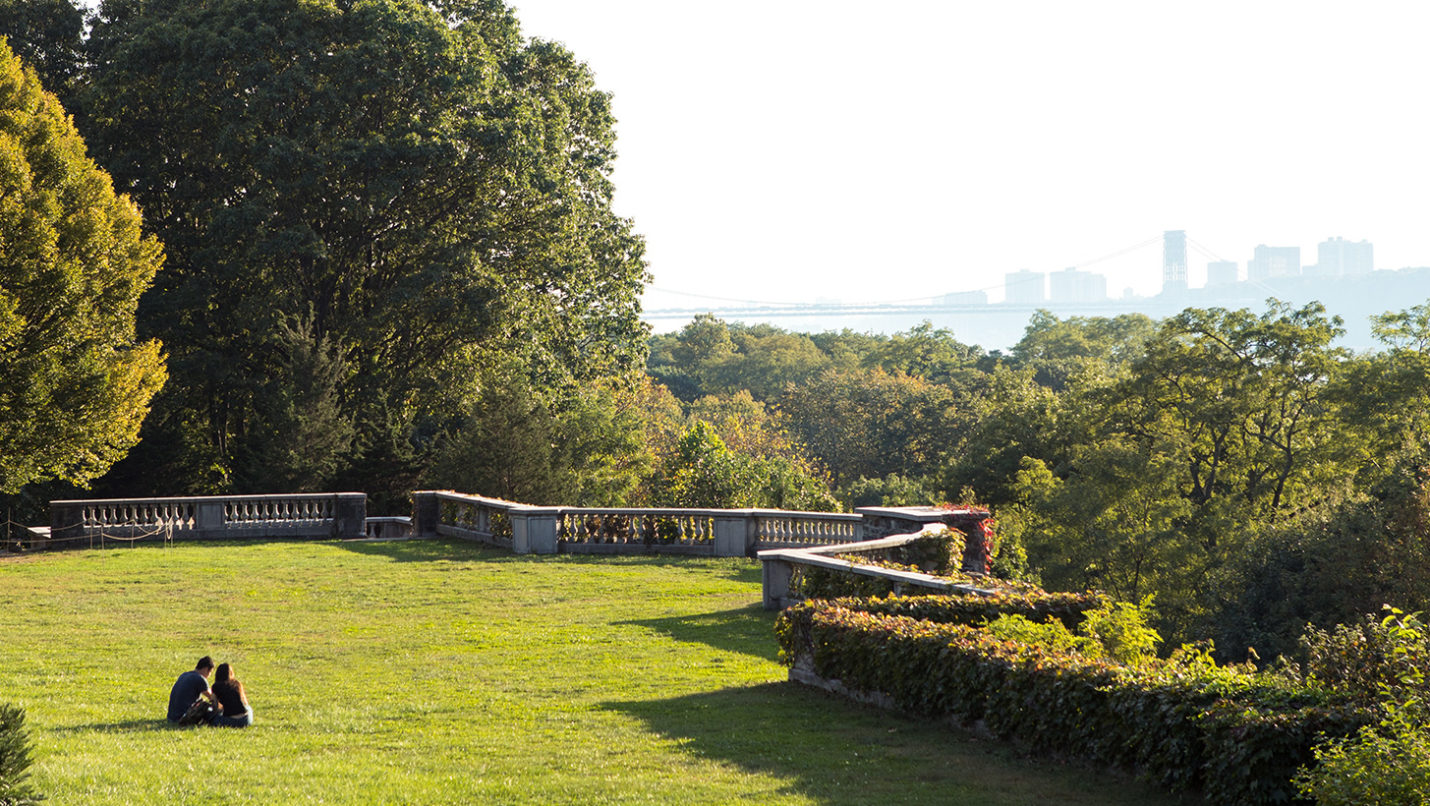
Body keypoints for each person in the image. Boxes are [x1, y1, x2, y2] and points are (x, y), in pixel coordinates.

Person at [166, 656, 216, 724]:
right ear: (206, 669)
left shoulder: (184, 675)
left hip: (171, 717)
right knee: (207, 707)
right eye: (210, 672)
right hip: (183, 718)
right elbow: (212, 697)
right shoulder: (200, 679)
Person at [211, 663, 253, 728]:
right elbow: (245, 703)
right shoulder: (237, 684)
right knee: (249, 708)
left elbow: (215, 708)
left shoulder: (215, 686)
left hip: (231, 721)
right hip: (245, 720)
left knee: (212, 717)